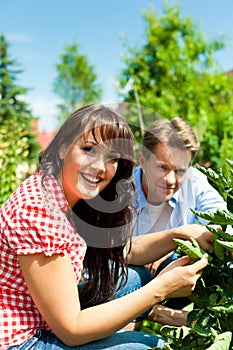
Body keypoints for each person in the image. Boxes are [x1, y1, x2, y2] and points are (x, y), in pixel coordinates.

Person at [1, 104, 214, 350]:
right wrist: (162, 288)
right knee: (152, 347)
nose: (100, 167)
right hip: (21, 340)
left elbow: (123, 251)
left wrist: (177, 234)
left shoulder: (67, 195)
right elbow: (72, 330)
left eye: (112, 157)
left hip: (45, 316)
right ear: (62, 148)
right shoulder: (39, 211)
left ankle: (146, 317)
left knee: (138, 278)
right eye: (89, 149)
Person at [131, 116, 227, 326]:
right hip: (130, 278)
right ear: (142, 160)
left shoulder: (195, 182)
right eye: (162, 167)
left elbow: (224, 226)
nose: (171, 180)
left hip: (174, 269)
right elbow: (109, 255)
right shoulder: (120, 192)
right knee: (129, 277)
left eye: (180, 171)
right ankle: (151, 318)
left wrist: (170, 244)